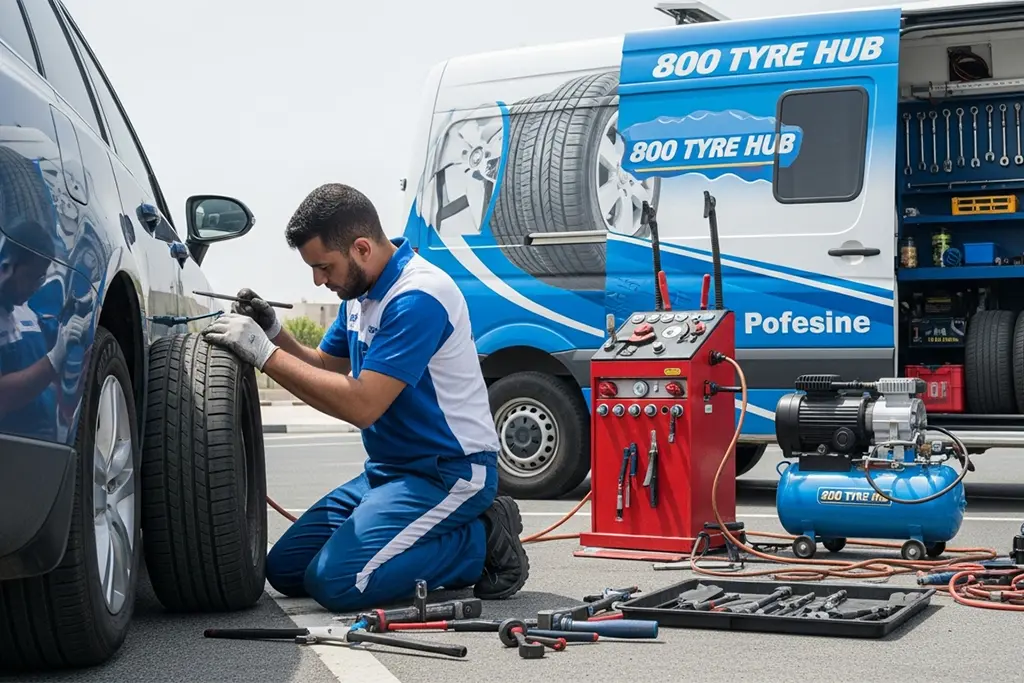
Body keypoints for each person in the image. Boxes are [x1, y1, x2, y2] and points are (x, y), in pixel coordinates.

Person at [201, 183, 530, 612]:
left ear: (360, 248)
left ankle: (481, 540)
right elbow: (323, 365)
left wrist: (265, 356)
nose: (318, 280)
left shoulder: (419, 297)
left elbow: (362, 405)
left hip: (449, 473)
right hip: (388, 472)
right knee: (285, 569)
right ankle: (426, 541)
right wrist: (273, 332)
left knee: (337, 583)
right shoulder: (360, 295)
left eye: (324, 267)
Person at [0, 218, 87, 440]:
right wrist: (54, 359)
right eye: (30, 277)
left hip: (47, 441)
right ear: (6, 267)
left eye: (40, 278)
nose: (34, 287)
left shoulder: (27, 313)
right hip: (16, 450)